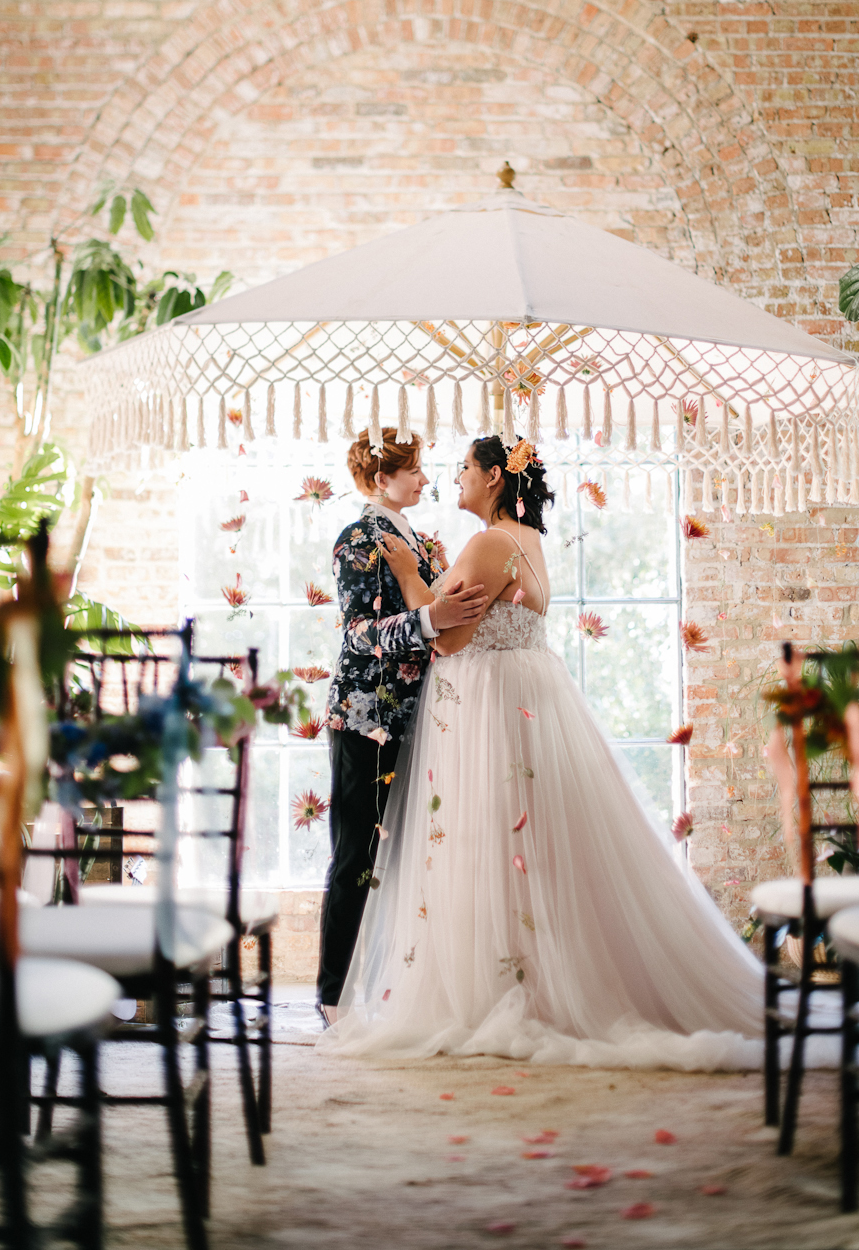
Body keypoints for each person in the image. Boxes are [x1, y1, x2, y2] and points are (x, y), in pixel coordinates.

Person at [323, 435, 764, 1069]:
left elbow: (447, 641)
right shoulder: (528, 542)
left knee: (487, 842)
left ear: (495, 477)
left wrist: (407, 574)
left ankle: (496, 987)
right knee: (515, 847)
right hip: (517, 697)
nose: (452, 479)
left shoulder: (487, 544)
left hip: (487, 704)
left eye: (464, 469)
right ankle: (518, 975)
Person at [316, 428, 488, 1025]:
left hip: (416, 715)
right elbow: (356, 635)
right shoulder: (357, 538)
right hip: (364, 719)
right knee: (354, 856)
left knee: (408, 853)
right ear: (379, 479)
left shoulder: (418, 538)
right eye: (413, 471)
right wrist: (427, 620)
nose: (425, 479)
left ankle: (389, 987)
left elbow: (436, 611)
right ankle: (333, 998)